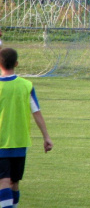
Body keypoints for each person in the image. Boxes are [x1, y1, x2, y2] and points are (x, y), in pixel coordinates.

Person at [0, 48, 53, 208]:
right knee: (14, 182)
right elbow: (37, 113)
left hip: (1, 142)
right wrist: (46, 137)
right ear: (16, 63)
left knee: (3, 181)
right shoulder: (26, 85)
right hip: (20, 141)